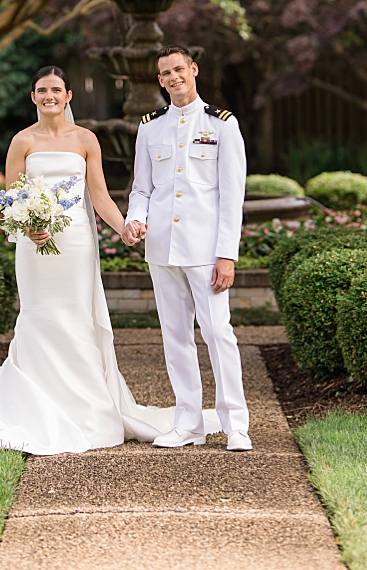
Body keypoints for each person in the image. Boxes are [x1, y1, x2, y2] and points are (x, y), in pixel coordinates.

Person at [0, 67, 203, 454]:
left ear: (68, 96)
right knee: (38, 316)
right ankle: (35, 408)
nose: (50, 96)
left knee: (77, 318)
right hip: (34, 249)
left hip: (76, 245)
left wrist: (124, 228)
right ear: (33, 97)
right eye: (42, 90)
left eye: (56, 90)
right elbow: (12, 196)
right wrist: (27, 226)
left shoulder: (86, 140)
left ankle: (88, 411)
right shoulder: (21, 142)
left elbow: (98, 194)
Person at [123, 45, 251, 451]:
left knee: (218, 334)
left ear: (194, 70)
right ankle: (189, 423)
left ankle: (236, 426)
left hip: (205, 251)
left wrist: (226, 254)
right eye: (166, 73)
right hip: (162, 248)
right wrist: (134, 219)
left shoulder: (222, 125)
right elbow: (142, 188)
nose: (174, 77)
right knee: (175, 337)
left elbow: (232, 196)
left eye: (180, 69)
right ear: (159, 80)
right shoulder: (150, 128)